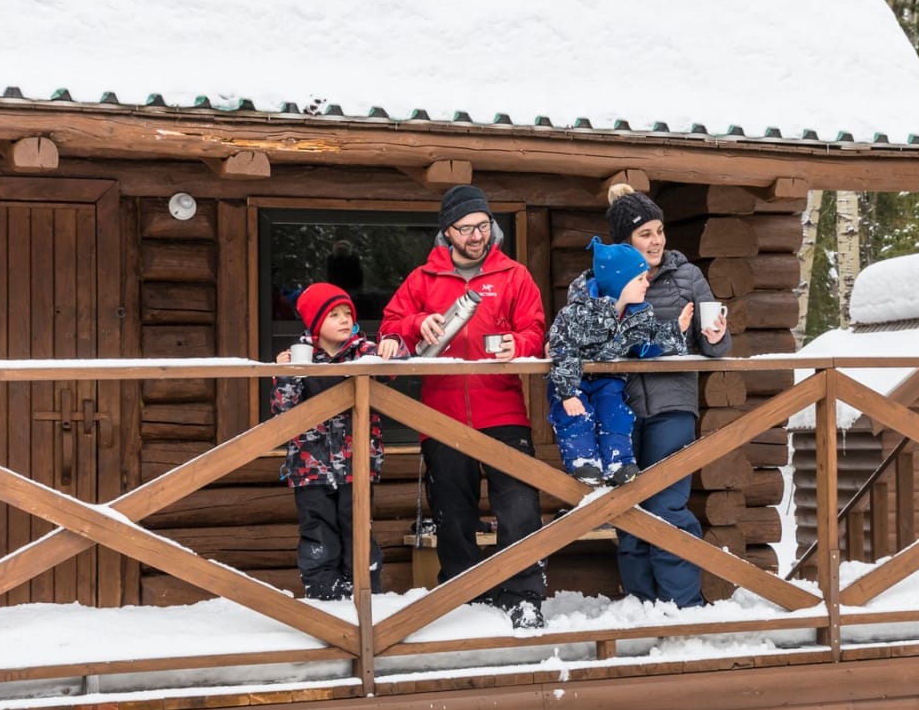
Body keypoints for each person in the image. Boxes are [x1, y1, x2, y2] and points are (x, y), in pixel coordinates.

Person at [376, 185, 548, 630]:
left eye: (483, 225)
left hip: (505, 412)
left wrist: (520, 343)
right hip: (440, 414)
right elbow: (391, 330)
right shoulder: (422, 279)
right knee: (453, 514)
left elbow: (536, 331)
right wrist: (416, 324)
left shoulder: (515, 275)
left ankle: (524, 596)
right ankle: (463, 597)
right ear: (446, 232)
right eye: (466, 228)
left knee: (520, 510)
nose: (477, 235)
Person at [567, 183, 732, 608]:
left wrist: (716, 336)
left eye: (659, 230)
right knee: (627, 507)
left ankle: (683, 605)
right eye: (646, 234)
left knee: (668, 506)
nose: (657, 240)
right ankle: (641, 604)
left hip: (672, 406)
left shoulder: (687, 275)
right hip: (618, 409)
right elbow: (580, 338)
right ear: (626, 242)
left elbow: (715, 343)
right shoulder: (595, 282)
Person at [272, 281, 388, 602]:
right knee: (319, 536)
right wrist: (289, 372)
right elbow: (283, 407)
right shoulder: (299, 354)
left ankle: (366, 601)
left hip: (358, 465)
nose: (343, 319)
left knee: (358, 534)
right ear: (314, 323)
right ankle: (324, 600)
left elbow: (393, 367)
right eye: (333, 314)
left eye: (347, 313)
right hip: (310, 469)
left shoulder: (365, 351)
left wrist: (391, 345)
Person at [548, 237, 693, 487]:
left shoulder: (638, 313)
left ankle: (618, 462)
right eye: (639, 279)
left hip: (608, 378)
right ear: (619, 283)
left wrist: (675, 330)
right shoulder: (578, 312)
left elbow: (647, 343)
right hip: (573, 379)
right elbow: (562, 349)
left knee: (616, 413)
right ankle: (583, 460)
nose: (646, 283)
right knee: (576, 415)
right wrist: (567, 391)